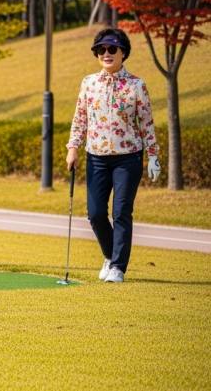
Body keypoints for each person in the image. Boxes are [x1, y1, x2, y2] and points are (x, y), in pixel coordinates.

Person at [66, 27, 159, 283]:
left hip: (127, 158)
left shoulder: (137, 85)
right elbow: (80, 119)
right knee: (95, 214)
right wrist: (72, 148)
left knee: (121, 212)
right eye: (101, 50)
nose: (106, 54)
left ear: (123, 52)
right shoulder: (89, 83)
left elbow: (147, 123)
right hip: (95, 157)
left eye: (111, 49)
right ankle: (110, 255)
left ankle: (117, 267)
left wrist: (153, 156)